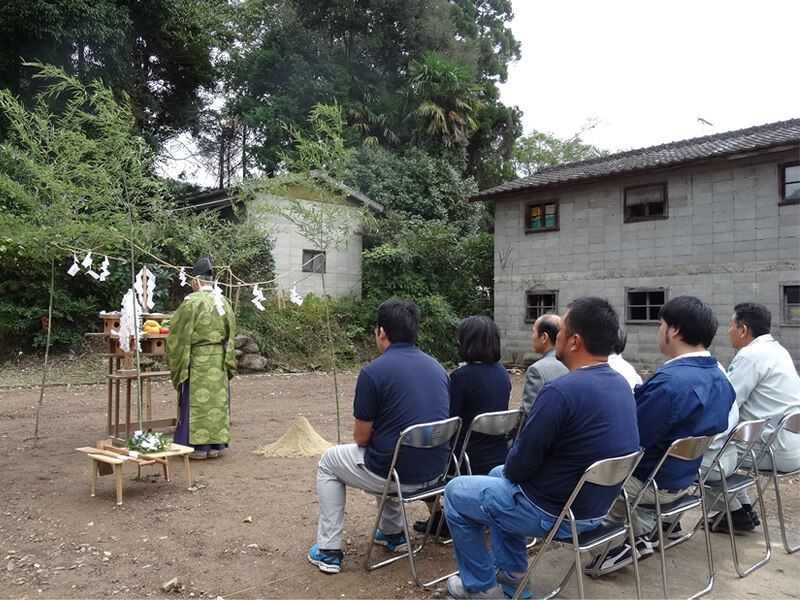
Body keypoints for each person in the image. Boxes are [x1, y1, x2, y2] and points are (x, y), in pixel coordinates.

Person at [443, 297, 639, 600]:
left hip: (553, 512)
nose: (555, 337)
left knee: (456, 492)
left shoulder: (561, 391)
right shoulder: (621, 386)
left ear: (574, 341)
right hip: (595, 507)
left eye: (560, 331)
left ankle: (481, 588)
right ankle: (512, 575)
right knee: (498, 473)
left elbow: (521, 464)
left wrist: (515, 472)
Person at [587, 296, 735, 576]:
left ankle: (616, 545)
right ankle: (638, 537)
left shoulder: (670, 384)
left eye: (661, 324)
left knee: (582, 472)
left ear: (675, 331)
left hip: (649, 482)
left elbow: (629, 439)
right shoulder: (721, 377)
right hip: (684, 479)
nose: (659, 331)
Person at [308, 298, 450, 574]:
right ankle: (392, 534)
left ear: (381, 332)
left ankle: (328, 551)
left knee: (330, 461)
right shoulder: (438, 368)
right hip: (434, 475)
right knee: (389, 449)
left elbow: (361, 438)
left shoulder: (373, 372)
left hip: (398, 474)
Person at [702, 302, 800, 533]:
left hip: (772, 450)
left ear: (743, 329)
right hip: (792, 446)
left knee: (703, 454)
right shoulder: (778, 350)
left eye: (731, 325)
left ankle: (734, 512)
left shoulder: (750, 356)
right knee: (726, 447)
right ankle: (741, 509)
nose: (728, 331)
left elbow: (727, 404)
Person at [413, 315, 512, 536]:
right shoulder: (502, 373)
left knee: (420, 460)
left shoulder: (460, 377)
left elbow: (450, 421)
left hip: (466, 459)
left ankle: (440, 518)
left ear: (467, 342)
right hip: (498, 456)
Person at [165, 257, 236, 460]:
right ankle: (215, 446)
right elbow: (231, 334)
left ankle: (195, 447)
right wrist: (227, 359)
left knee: (196, 402)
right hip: (219, 360)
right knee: (216, 402)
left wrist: (177, 358)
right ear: (211, 282)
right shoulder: (223, 302)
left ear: (195, 282)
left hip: (196, 361)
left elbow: (177, 336)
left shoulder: (191, 303)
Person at [519, 313, 568, 418]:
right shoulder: (572, 363)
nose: (532, 337)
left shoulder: (536, 370)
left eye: (534, 332)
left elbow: (531, 415)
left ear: (544, 337)